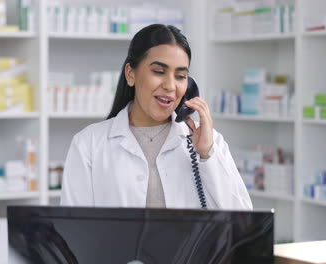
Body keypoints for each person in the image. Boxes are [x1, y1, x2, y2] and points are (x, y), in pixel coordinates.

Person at [60, 24, 252, 210]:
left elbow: (243, 225)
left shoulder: (208, 142)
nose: (170, 86)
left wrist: (207, 155)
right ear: (130, 74)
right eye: (159, 72)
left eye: (180, 76)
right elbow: (73, 231)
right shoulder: (89, 144)